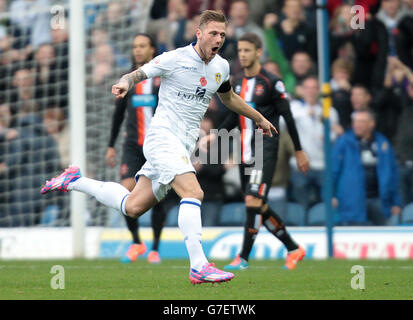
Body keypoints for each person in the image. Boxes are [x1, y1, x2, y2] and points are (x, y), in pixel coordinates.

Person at [41, 10, 278, 285]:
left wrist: (259, 117)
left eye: (223, 34)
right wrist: (125, 82)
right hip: (163, 139)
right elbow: (139, 72)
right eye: (213, 33)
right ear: (198, 33)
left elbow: (229, 98)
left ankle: (75, 180)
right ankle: (199, 265)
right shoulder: (174, 58)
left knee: (132, 207)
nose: (219, 39)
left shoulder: (221, 66)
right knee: (193, 191)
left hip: (182, 145)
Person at [200, 33, 310, 271]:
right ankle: (293, 248)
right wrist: (214, 135)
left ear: (258, 52)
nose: (242, 55)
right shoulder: (237, 82)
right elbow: (232, 116)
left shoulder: (271, 82)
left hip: (265, 149)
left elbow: (287, 117)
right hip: (244, 151)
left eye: (247, 50)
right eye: (240, 51)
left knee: (253, 200)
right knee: (256, 204)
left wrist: (299, 151)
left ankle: (243, 257)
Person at [105, 33, 166, 264]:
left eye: (142, 46)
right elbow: (118, 114)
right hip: (133, 145)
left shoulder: (162, 78)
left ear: (153, 50)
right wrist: (111, 145)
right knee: (126, 190)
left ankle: (156, 249)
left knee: (157, 197)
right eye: (135, 46)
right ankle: (137, 242)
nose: (138, 50)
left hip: (158, 145)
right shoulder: (128, 80)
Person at [332, 109, 402, 225]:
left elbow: (393, 174)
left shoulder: (383, 143)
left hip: (379, 201)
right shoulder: (343, 143)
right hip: (352, 201)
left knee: (383, 238)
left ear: (372, 123)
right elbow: (333, 171)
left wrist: (396, 202)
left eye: (361, 122)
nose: (357, 125)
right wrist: (332, 195)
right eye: (355, 121)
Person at [289, 76, 342, 210]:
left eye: (314, 88)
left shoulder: (329, 111)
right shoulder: (294, 108)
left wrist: (330, 136)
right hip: (300, 165)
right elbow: (283, 124)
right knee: (301, 205)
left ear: (318, 90)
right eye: (307, 88)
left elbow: (335, 135)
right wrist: (306, 113)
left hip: (322, 164)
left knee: (325, 204)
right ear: (302, 90)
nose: (311, 91)